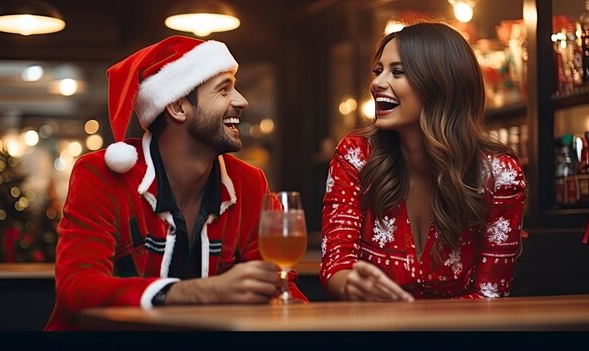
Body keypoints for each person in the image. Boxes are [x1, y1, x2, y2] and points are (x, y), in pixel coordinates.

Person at [45, 36, 307, 331]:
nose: (241, 101)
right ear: (178, 107)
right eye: (224, 90)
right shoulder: (99, 175)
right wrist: (198, 293)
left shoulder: (249, 182)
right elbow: (77, 288)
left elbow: (279, 287)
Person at [320, 22, 526, 301]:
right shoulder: (356, 155)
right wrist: (350, 284)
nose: (377, 83)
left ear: (440, 83)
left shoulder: (500, 174)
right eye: (378, 71)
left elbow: (489, 296)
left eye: (398, 72)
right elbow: (336, 264)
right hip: (372, 335)